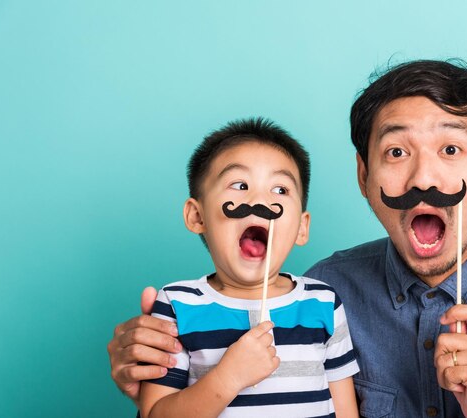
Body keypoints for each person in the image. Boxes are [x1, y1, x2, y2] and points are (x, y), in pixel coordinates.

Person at [108, 60, 467, 417]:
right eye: (395, 152)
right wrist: (160, 370)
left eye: (450, 147)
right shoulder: (321, 291)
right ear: (364, 177)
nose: (422, 179)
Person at [135, 117, 359, 418]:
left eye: (280, 190)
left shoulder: (323, 302)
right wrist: (228, 377)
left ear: (301, 229)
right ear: (196, 216)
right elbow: (155, 414)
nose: (259, 201)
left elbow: (345, 409)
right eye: (240, 185)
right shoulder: (178, 305)